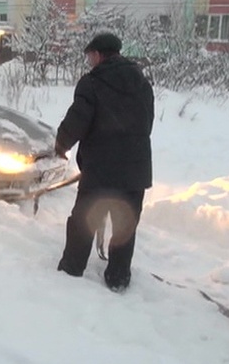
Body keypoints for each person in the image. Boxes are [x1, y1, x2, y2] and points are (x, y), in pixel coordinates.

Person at [54, 32, 154, 292]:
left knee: (83, 220)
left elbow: (77, 120)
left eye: (89, 56)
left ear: (98, 54)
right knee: (125, 225)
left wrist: (61, 145)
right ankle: (118, 279)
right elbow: (147, 124)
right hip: (135, 169)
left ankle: (71, 269)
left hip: (100, 170)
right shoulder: (143, 84)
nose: (89, 61)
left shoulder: (91, 83)